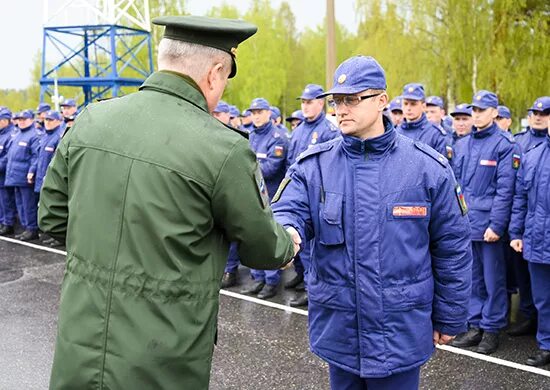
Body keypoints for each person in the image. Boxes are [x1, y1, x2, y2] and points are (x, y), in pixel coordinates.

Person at [39, 15, 299, 390]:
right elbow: (262, 248)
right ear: (214, 74)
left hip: (80, 349)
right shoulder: (223, 148)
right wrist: (287, 242)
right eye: (224, 80)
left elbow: (51, 217)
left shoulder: (91, 120)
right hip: (162, 359)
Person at [272, 55, 472, 389]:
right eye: (336, 100)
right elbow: (287, 210)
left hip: (400, 331)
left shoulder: (426, 168)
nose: (341, 109)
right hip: (341, 329)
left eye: (352, 99)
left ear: (381, 100)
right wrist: (288, 232)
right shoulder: (315, 166)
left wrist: (450, 315)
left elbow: (451, 246)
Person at [450, 90, 520, 354]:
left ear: (494, 113)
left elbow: (505, 190)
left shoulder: (504, 144)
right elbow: (456, 186)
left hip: (489, 227)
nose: (475, 114)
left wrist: (497, 226)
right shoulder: (462, 144)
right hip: (467, 224)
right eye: (474, 110)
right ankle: (475, 324)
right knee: (473, 279)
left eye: (481, 110)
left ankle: (491, 330)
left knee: (493, 281)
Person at [285, 83, 340, 307]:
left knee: (315, 247)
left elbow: (333, 167)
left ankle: (312, 289)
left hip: (320, 196)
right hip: (301, 195)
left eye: (309, 102)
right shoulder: (298, 130)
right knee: (300, 244)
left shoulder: (328, 129)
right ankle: (303, 279)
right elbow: (291, 162)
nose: (305, 106)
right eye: (303, 102)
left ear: (320, 103)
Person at [509, 110, 550, 367]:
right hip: (537, 239)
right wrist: (515, 232)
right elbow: (520, 198)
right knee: (543, 298)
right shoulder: (533, 155)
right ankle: (546, 344)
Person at [238, 97, 289, 299]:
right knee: (252, 238)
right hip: (251, 195)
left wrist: (243, 170)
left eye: (260, 112)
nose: (256, 116)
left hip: (270, 197)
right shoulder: (249, 135)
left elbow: (270, 168)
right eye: (254, 112)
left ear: (269, 113)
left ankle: (271, 281)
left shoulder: (278, 137)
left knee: (268, 240)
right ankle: (257, 278)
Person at [5, 109, 41, 241]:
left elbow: (35, 157)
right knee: (20, 204)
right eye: (19, 119)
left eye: (24, 119)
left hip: (25, 176)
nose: (21, 122)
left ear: (31, 120)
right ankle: (26, 227)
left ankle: (32, 229)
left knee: (28, 204)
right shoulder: (17, 134)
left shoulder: (34, 135)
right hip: (15, 176)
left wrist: (31, 171)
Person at [34, 110, 64, 247]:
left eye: (51, 120)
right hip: (41, 177)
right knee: (43, 205)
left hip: (53, 178)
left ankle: (58, 237)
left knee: (54, 205)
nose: (47, 122)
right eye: (46, 120)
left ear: (58, 121)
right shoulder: (45, 136)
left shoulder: (59, 136)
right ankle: (50, 234)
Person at [397, 84, 449, 159]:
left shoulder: (434, 134)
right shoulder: (396, 132)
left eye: (413, 104)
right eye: (405, 104)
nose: (408, 108)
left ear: (423, 107)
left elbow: (442, 167)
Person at [0, 107, 17, 235]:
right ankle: (3, 221)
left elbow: (8, 156)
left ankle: (8, 223)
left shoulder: (11, 135)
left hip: (5, 173)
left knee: (6, 200)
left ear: (6, 120)